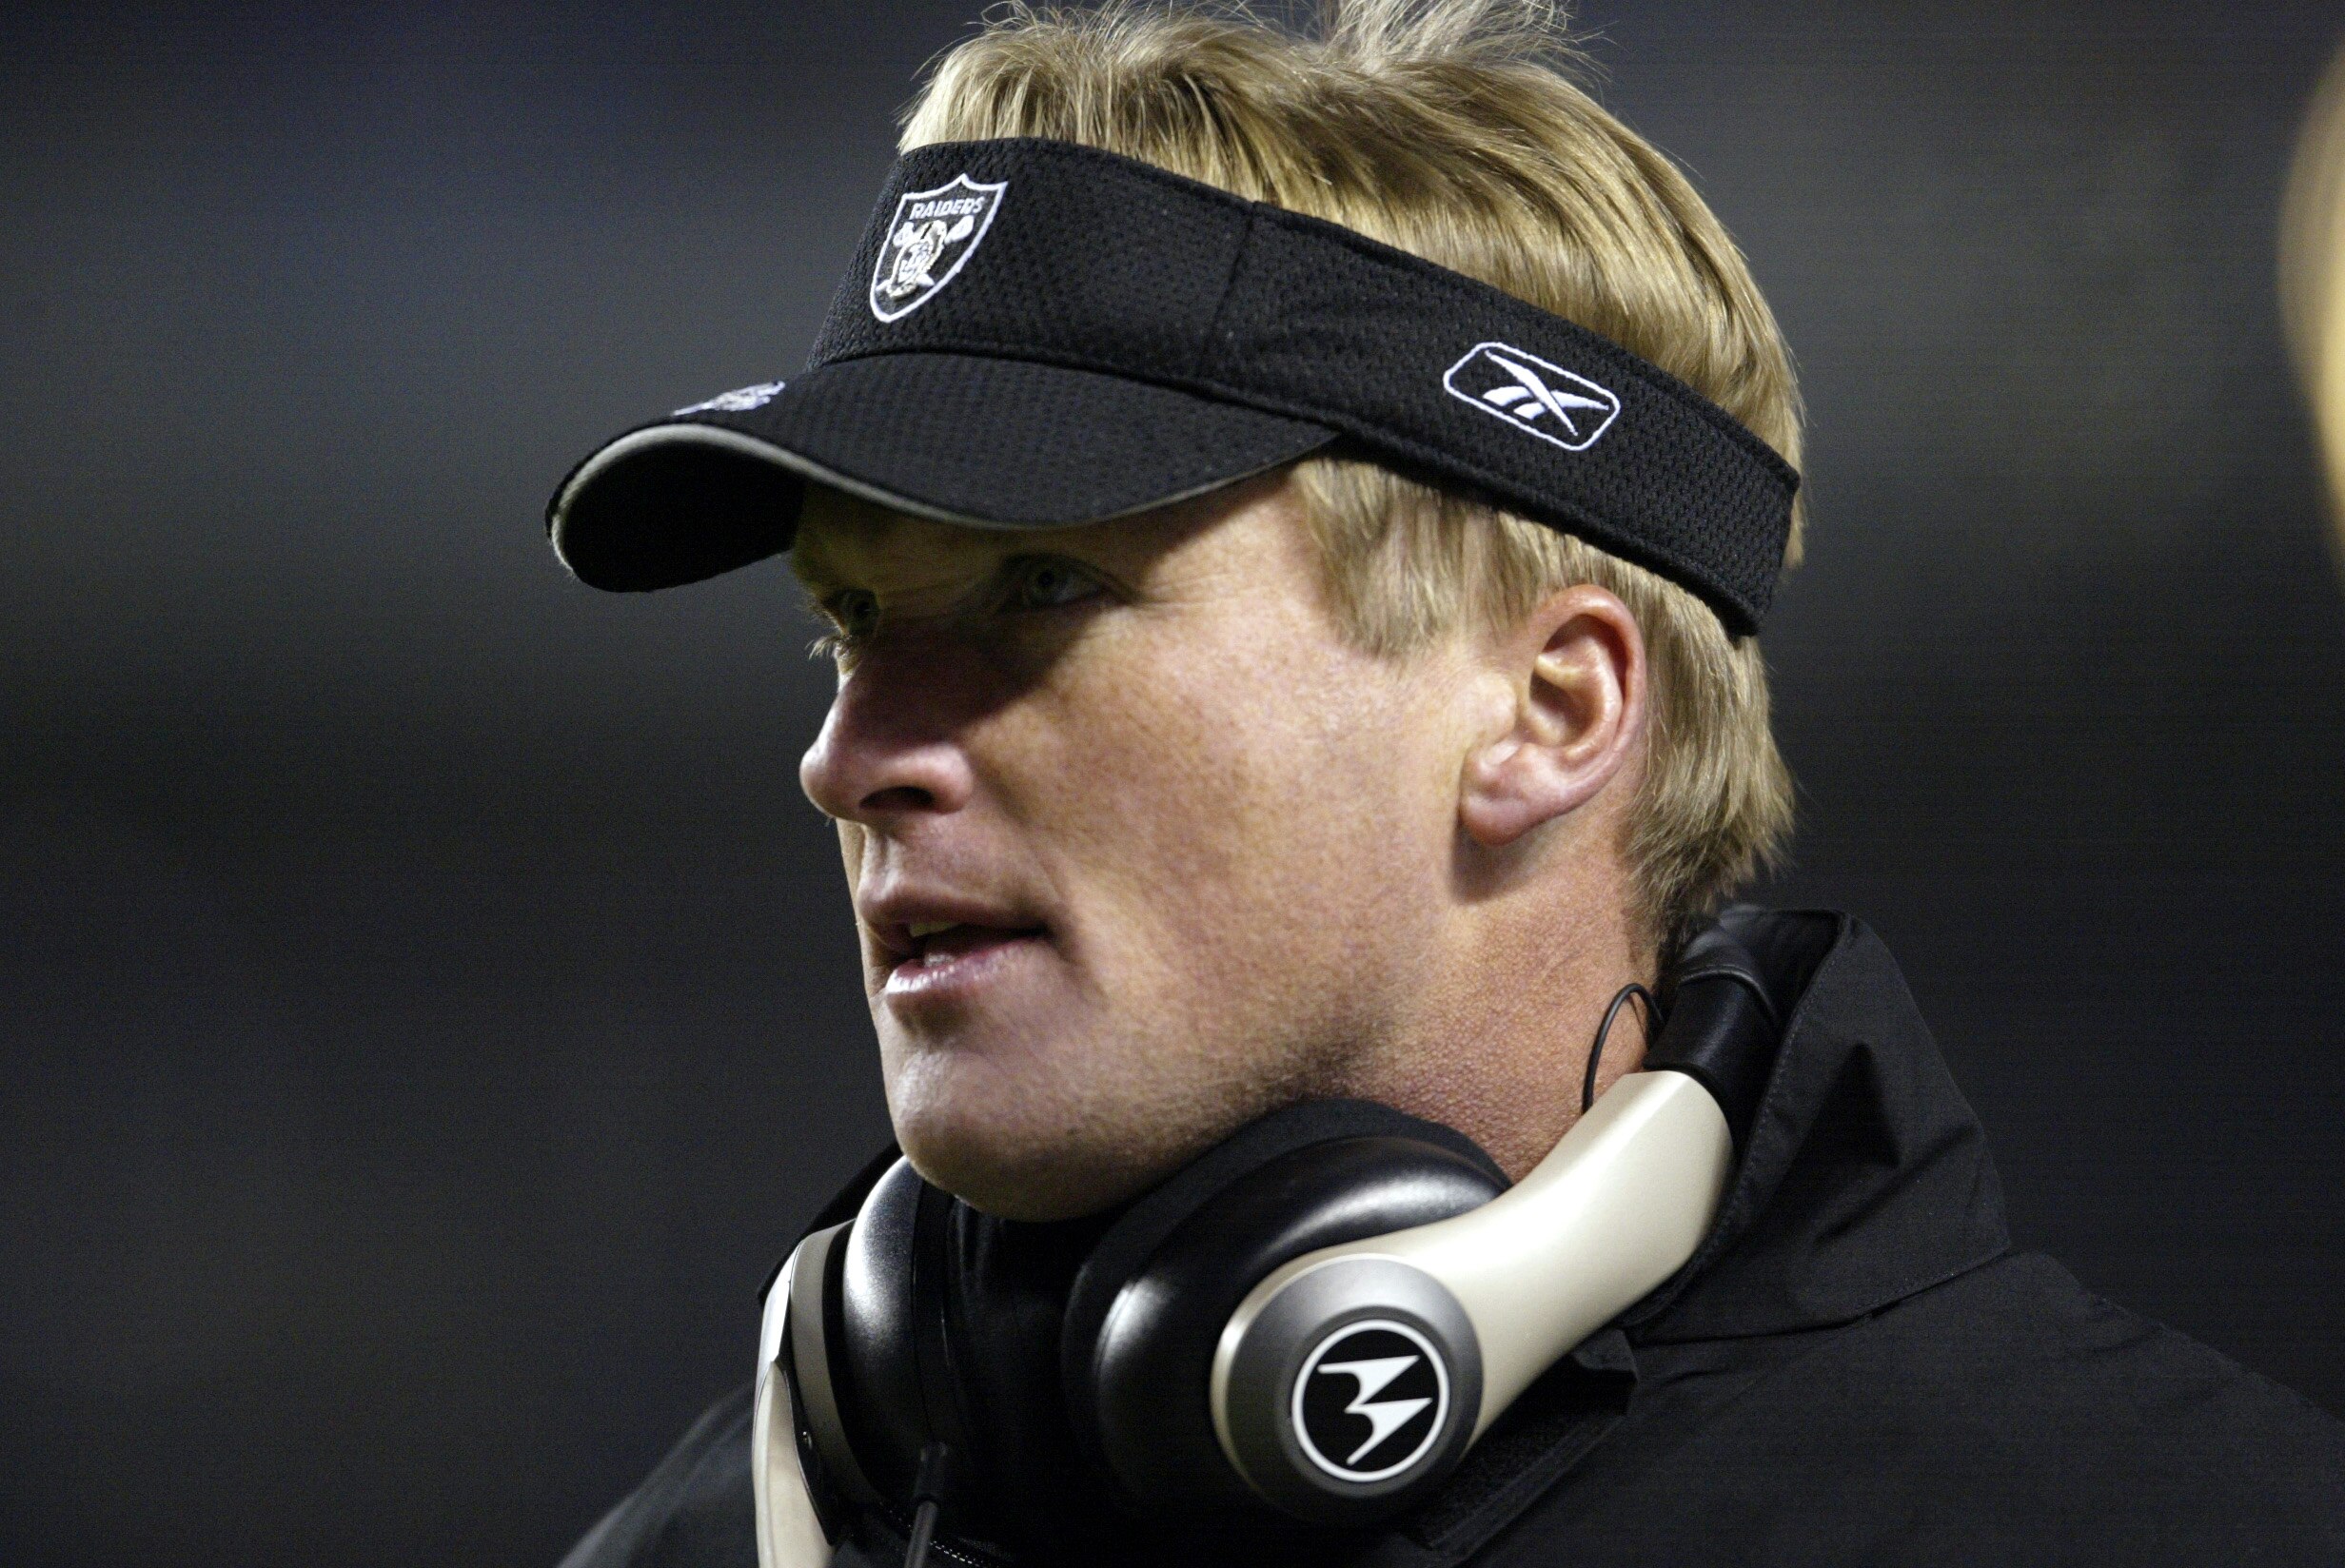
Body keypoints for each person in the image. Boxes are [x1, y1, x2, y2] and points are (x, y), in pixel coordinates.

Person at [541, 4, 2345, 1564]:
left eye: (1042, 591)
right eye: (850, 626)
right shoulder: (721, 1540)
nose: (849, 759)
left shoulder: (2163, 1522)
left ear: (1550, 711)